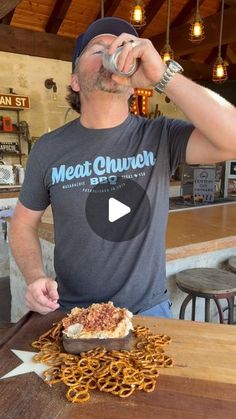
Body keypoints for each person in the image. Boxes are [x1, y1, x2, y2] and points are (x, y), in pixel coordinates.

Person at [9, 17, 236, 318]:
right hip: (73, 314)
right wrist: (35, 276)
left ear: (132, 86)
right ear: (75, 80)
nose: (113, 52)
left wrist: (163, 77)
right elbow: (22, 224)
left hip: (147, 311)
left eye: (123, 46)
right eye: (98, 49)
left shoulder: (160, 135)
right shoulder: (48, 148)